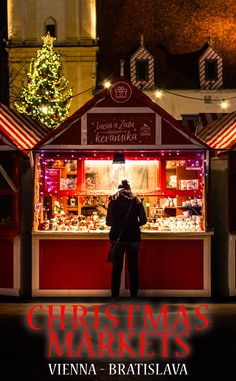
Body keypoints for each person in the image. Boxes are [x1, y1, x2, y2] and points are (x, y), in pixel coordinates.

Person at [106, 179, 147, 298]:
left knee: (117, 268)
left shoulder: (113, 200)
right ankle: (134, 295)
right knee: (133, 267)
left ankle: (115, 295)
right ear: (129, 189)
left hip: (117, 237)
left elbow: (109, 222)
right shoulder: (136, 200)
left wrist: (118, 223)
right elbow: (143, 220)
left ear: (118, 189)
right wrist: (133, 225)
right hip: (133, 237)